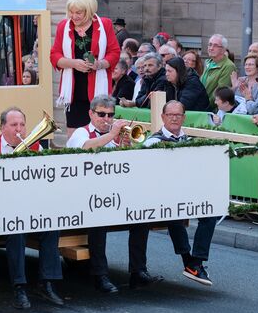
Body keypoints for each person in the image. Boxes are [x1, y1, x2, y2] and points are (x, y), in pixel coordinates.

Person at [67, 95, 162, 292]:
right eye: (101, 114)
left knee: (141, 216)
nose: (106, 119)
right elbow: (85, 148)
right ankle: (100, 275)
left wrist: (125, 146)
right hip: (84, 196)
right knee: (98, 219)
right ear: (91, 114)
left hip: (113, 194)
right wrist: (112, 135)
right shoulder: (81, 132)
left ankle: (138, 271)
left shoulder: (113, 137)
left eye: (110, 115)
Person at [0, 107, 64, 309]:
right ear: (2, 127)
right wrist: (6, 178)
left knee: (52, 226)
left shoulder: (34, 146)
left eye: (22, 125)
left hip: (27, 204)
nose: (19, 129)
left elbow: (44, 176)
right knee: (16, 229)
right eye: (14, 125)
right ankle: (19, 287)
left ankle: (47, 283)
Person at [144, 100, 217, 286]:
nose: (174, 118)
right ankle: (188, 261)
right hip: (160, 195)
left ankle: (196, 261)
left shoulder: (190, 142)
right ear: (163, 117)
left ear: (184, 118)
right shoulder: (153, 142)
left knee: (211, 213)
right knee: (173, 212)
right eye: (170, 115)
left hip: (187, 193)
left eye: (178, 115)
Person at [50, 0, 120, 135]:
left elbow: (114, 52)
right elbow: (54, 55)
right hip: (74, 91)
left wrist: (99, 64)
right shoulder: (63, 26)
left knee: (99, 132)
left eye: (78, 13)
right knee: (74, 136)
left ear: (89, 11)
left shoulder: (105, 24)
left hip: (98, 89)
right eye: (71, 12)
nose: (74, 16)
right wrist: (73, 63)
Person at [201, 34, 236, 109]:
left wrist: (204, 106)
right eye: (210, 45)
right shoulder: (208, 62)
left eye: (215, 45)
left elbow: (220, 93)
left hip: (213, 109)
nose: (211, 48)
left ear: (223, 49)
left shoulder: (228, 66)